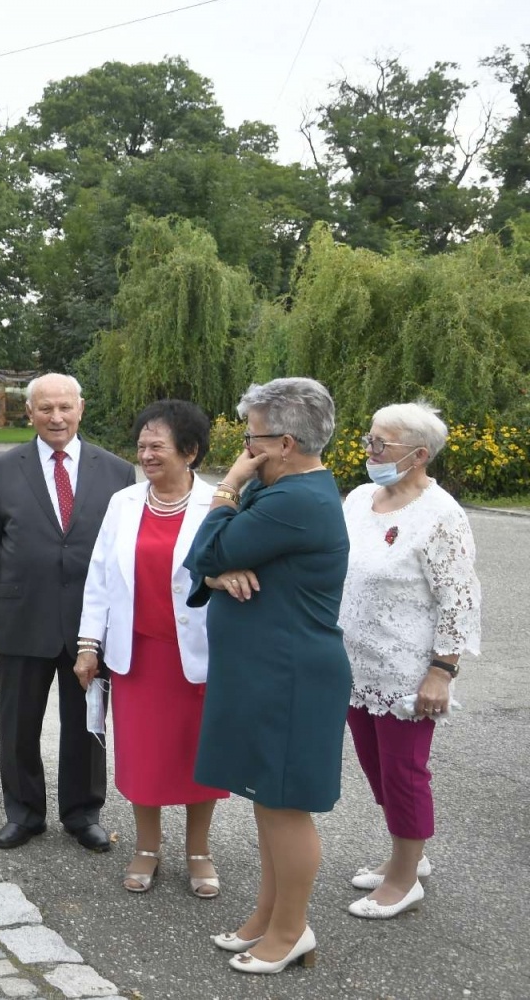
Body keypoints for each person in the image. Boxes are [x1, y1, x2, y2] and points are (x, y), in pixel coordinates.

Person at [183, 377, 349, 975]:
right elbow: (205, 562)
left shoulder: (296, 499)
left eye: (249, 438)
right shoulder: (279, 490)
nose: (243, 450)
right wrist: (214, 573)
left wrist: (226, 487)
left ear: (281, 442)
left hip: (291, 675)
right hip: (264, 669)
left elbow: (205, 548)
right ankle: (266, 917)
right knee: (265, 799)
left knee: (286, 806)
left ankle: (291, 931)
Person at [0, 373, 135, 853]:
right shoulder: (2, 471)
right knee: (18, 723)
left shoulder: (116, 473)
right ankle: (24, 813)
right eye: (46, 409)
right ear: (30, 412)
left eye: (65, 408)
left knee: (86, 724)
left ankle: (83, 813)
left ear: (81, 409)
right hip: (20, 619)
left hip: (89, 625)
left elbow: (123, 555)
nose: (56, 417)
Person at [74, 400, 228, 895]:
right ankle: (147, 847)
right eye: (141, 445)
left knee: (198, 756)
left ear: (190, 452)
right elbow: (99, 576)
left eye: (157, 445)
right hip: (138, 656)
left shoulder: (219, 506)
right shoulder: (125, 503)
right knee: (143, 757)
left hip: (197, 655)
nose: (146, 454)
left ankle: (199, 852)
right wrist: (87, 644)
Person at [339, 402, 481, 919]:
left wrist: (442, 671)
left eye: (382, 444)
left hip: (405, 670)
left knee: (403, 771)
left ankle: (404, 878)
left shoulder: (440, 514)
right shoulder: (359, 498)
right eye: (369, 439)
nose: (369, 451)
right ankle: (406, 853)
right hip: (354, 663)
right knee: (377, 769)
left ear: (419, 455)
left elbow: (458, 598)